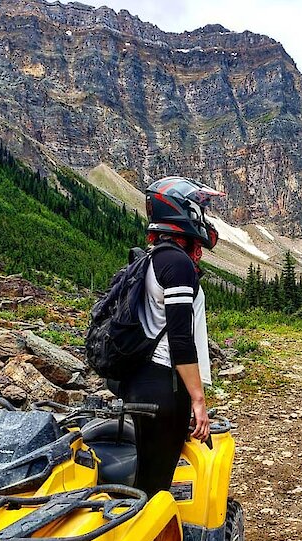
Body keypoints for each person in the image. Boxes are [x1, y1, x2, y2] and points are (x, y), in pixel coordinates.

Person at [119, 176, 222, 498]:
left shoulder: (152, 257)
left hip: (141, 380)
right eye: (199, 208)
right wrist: (198, 400)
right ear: (183, 209)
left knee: (146, 476)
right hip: (165, 385)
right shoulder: (177, 263)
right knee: (156, 486)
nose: (202, 215)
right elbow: (180, 339)